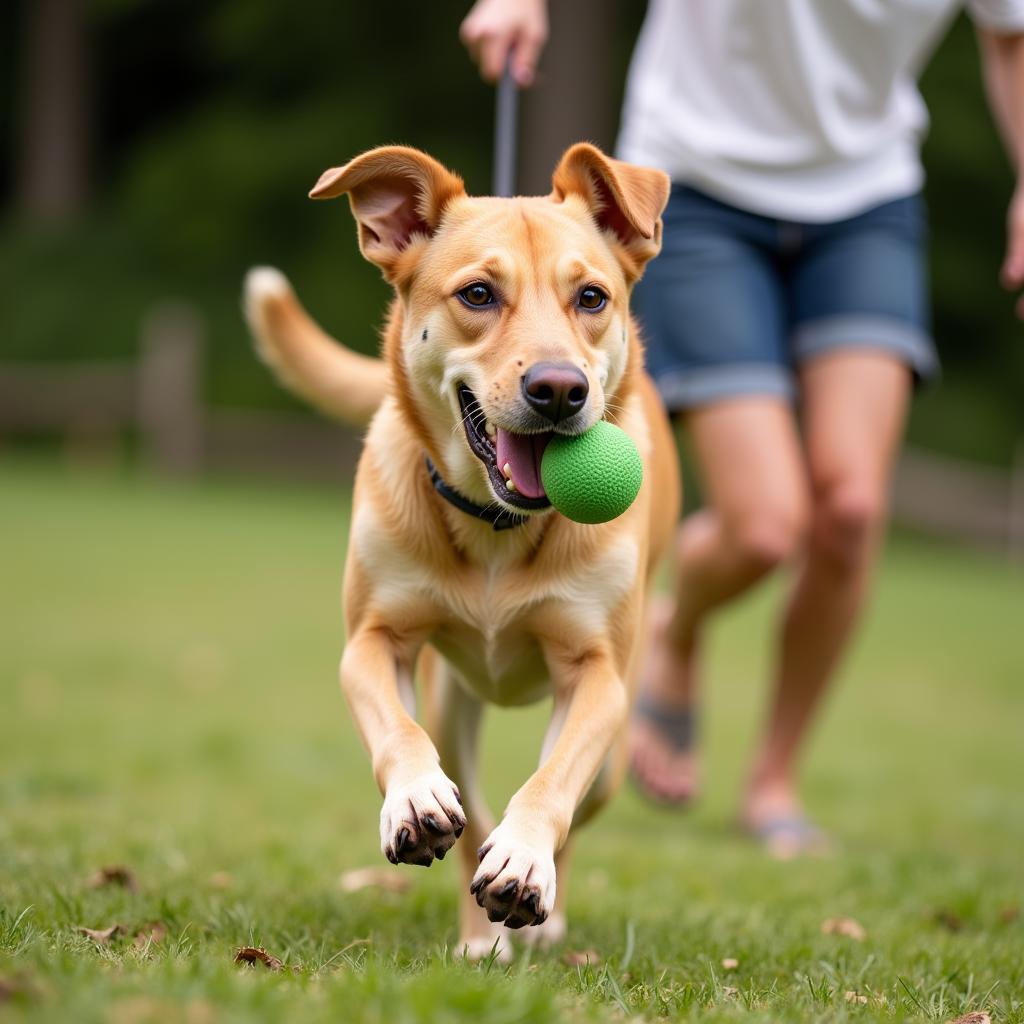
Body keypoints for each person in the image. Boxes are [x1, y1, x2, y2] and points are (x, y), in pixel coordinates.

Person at [461, 0, 1024, 856]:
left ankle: (772, 779)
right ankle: (677, 629)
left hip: (867, 195)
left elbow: (1010, 37)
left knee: (852, 512)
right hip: (696, 180)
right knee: (765, 525)